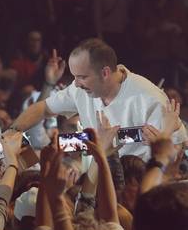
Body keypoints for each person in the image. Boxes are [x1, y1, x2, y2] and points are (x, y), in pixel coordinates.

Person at [10, 38, 187, 160]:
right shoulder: (79, 89)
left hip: (138, 188)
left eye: (82, 77)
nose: (76, 84)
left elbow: (181, 146)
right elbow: (43, 108)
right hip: (99, 179)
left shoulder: (150, 98)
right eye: (74, 77)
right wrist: (11, 133)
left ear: (105, 73)